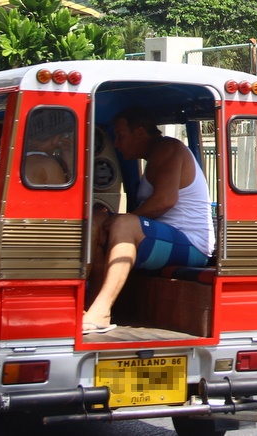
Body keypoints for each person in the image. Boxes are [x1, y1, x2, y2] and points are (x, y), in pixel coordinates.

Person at [82, 107, 214, 334]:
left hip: (192, 244)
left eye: (120, 135)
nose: (116, 143)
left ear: (140, 132)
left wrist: (118, 221)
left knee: (124, 224)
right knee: (98, 221)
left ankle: (102, 311)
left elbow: (165, 200)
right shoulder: (153, 157)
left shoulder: (168, 148)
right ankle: (87, 305)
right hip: (165, 238)